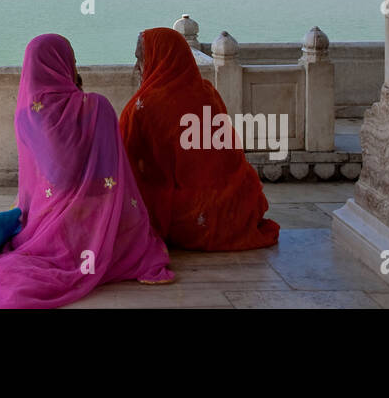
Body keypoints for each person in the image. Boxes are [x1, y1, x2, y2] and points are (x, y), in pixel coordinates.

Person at [0, 33, 175, 308]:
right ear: (63, 66)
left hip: (47, 222)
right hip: (101, 216)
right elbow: (113, 176)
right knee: (138, 238)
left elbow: (46, 181)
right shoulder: (97, 107)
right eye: (72, 61)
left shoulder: (26, 114)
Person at [119, 27, 280, 251]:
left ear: (158, 58)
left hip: (189, 214)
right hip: (237, 206)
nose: (137, 67)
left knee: (134, 200)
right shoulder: (207, 92)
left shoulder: (145, 105)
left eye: (140, 59)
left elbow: (127, 164)